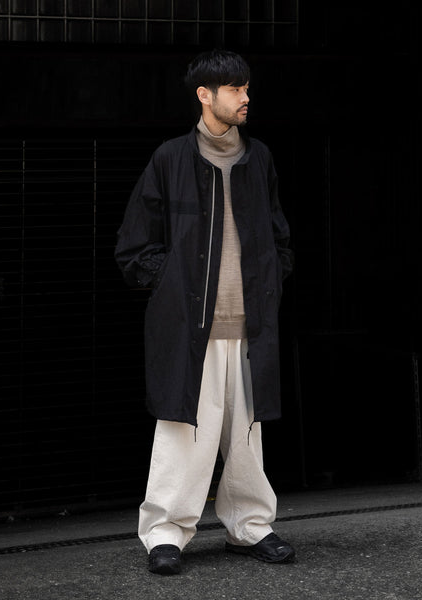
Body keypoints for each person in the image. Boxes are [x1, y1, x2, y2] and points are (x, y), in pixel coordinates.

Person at [115, 49, 295, 575]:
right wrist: (171, 283)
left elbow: (279, 236)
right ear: (204, 94)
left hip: (251, 325)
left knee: (246, 436)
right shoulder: (171, 159)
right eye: (235, 88)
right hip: (189, 327)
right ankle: (165, 535)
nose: (245, 97)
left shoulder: (259, 158)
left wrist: (274, 275)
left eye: (246, 87)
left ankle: (251, 527)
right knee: (182, 436)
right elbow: (134, 246)